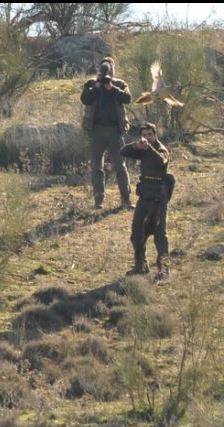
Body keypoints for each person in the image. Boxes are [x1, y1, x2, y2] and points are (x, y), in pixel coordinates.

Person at [120, 122, 174, 281]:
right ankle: (141, 266)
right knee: (136, 231)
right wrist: (137, 145)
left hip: (158, 197)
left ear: (155, 135)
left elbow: (161, 161)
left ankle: (164, 269)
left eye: (150, 134)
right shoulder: (142, 148)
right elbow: (123, 151)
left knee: (160, 234)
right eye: (144, 135)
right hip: (144, 195)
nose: (147, 138)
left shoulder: (161, 149)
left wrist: (148, 148)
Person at [80, 56, 134, 210]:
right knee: (97, 166)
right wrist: (97, 85)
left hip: (115, 131)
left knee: (120, 166)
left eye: (109, 67)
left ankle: (126, 199)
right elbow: (85, 99)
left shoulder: (120, 84)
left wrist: (112, 88)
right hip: (96, 130)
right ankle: (99, 200)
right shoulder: (91, 83)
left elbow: (128, 98)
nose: (106, 70)